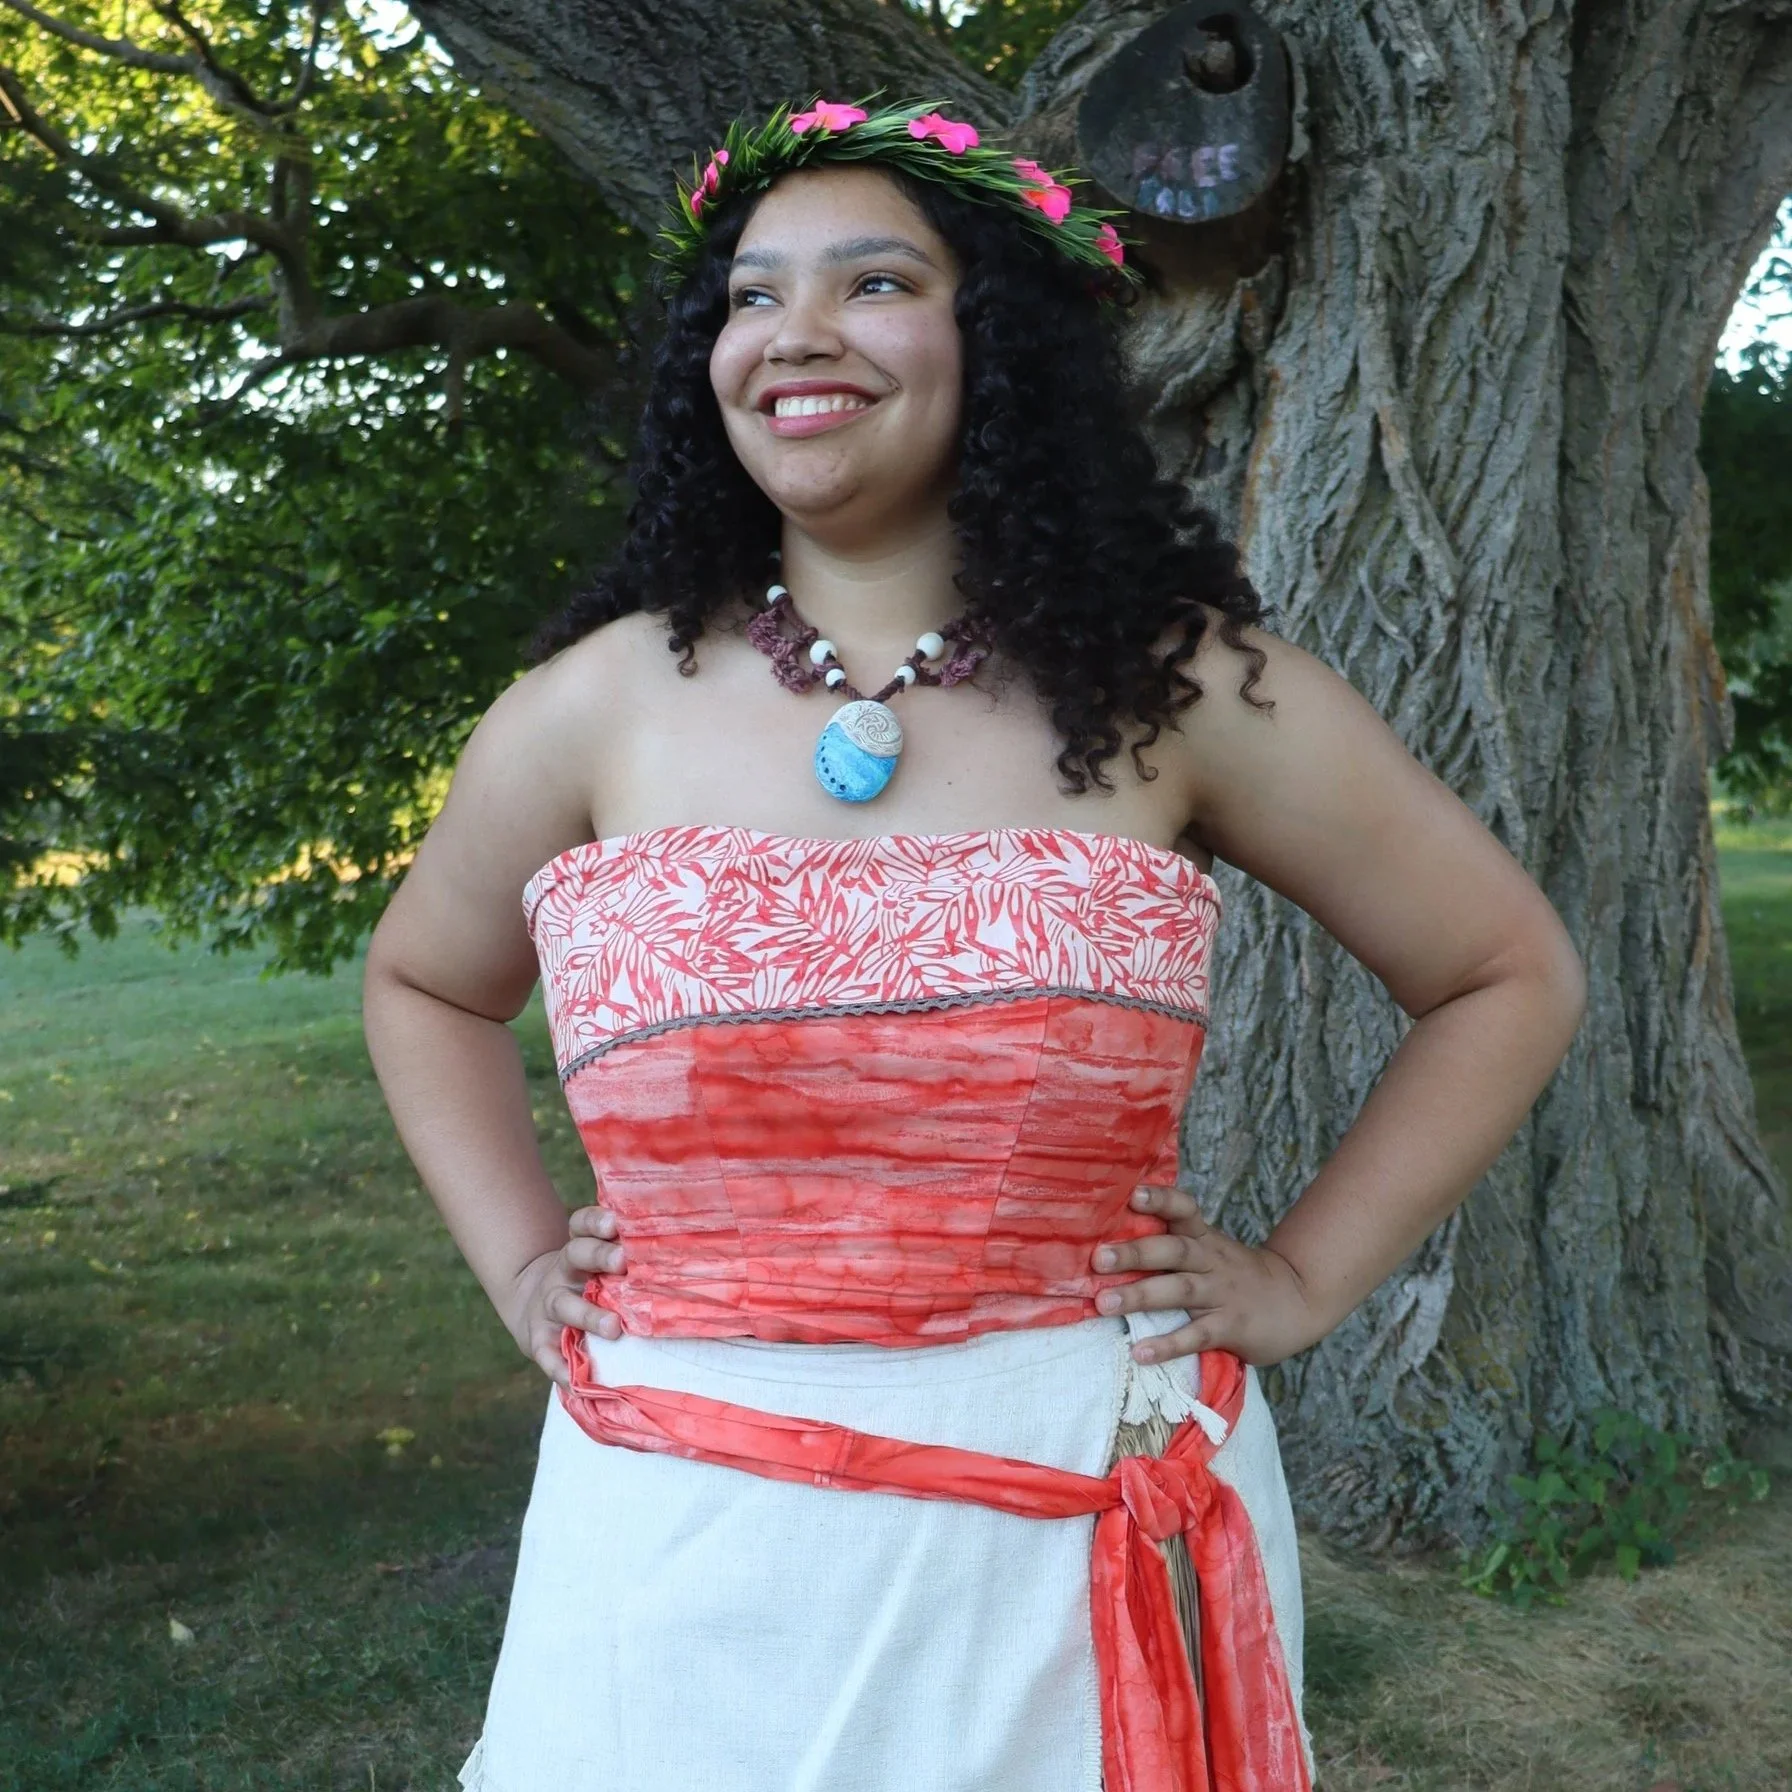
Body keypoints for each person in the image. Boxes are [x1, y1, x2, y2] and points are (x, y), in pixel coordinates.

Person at [361, 97, 1587, 1792]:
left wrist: (1298, 1281)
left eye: (873, 283)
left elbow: (1503, 972)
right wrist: (516, 1264)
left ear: (991, 340)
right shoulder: (588, 710)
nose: (795, 334)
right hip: (672, 1539)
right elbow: (423, 980)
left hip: (1067, 1513)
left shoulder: (1178, 692)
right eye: (749, 296)